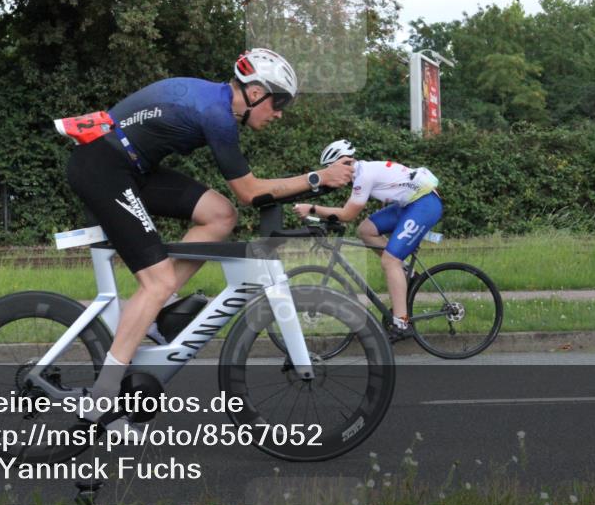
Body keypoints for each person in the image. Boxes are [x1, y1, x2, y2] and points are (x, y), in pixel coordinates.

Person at [58, 49, 354, 426]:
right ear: (255, 93)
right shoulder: (217, 115)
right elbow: (249, 192)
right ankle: (103, 396)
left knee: (219, 214)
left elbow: (236, 203)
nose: (279, 113)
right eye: (277, 102)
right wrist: (318, 178)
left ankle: (149, 316)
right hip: (103, 166)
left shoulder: (217, 103)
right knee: (158, 278)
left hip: (132, 166)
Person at [291, 140, 443, 332]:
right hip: (409, 205)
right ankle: (408, 274)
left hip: (424, 205)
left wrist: (311, 209)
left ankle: (401, 323)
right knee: (365, 230)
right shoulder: (361, 172)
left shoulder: (364, 176)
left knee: (390, 261)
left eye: (331, 168)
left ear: (345, 162)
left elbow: (347, 215)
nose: (331, 174)